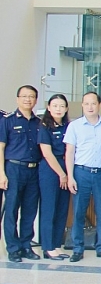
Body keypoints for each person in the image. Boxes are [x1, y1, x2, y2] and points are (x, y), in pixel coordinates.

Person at [64, 91, 101, 262]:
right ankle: (77, 249)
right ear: (82, 105)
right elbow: (70, 152)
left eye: (93, 103)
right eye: (86, 103)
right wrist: (70, 176)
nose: (90, 107)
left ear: (99, 105)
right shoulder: (74, 126)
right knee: (78, 212)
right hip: (81, 173)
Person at [0, 85, 42, 262]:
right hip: (13, 169)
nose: (28, 99)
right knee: (11, 210)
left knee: (30, 210)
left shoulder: (39, 122)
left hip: (34, 170)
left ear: (36, 100)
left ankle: (26, 245)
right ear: (17, 99)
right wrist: (1, 173)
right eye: (24, 96)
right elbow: (1, 148)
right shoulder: (7, 120)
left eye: (31, 96)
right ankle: (13, 248)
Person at [38, 94, 71, 260]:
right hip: (51, 170)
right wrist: (62, 174)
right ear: (49, 108)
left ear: (66, 108)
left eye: (61, 106)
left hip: (66, 168)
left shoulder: (68, 126)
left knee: (62, 209)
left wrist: (67, 173)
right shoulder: (44, 127)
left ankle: (57, 245)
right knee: (49, 208)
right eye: (55, 106)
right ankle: (48, 247)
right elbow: (47, 153)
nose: (58, 109)